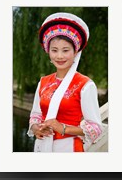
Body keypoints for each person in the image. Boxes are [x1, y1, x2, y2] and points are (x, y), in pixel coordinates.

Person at [27, 12, 102, 152]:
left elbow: (96, 128)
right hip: (41, 146)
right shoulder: (43, 82)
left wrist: (62, 128)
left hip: (69, 148)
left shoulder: (85, 85)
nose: (59, 56)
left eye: (65, 50)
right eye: (54, 50)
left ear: (75, 52)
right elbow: (36, 115)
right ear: (48, 52)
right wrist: (36, 128)